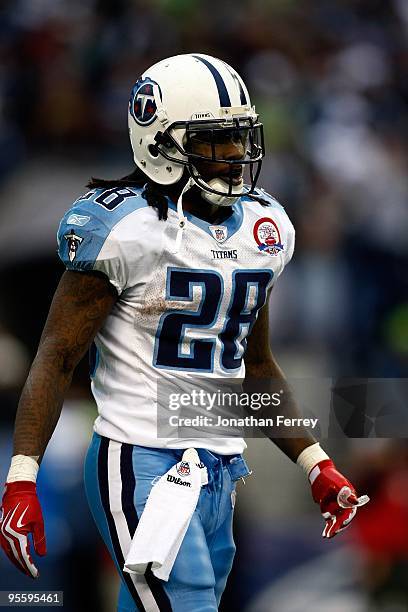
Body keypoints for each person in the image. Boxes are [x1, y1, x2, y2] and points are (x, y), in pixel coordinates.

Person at [0, 54, 369, 612]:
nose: (235, 157)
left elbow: (256, 365)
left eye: (240, 139)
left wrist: (315, 461)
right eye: (215, 141)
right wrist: (22, 477)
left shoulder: (264, 227)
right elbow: (56, 358)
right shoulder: (125, 229)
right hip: (141, 459)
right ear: (160, 141)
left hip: (220, 466)